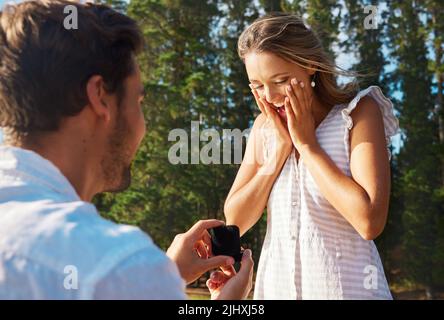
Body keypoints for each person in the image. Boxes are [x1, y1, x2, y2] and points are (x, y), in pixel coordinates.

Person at [0, 0, 253, 299]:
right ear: (100, 97)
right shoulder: (117, 265)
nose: (142, 124)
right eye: (138, 102)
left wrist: (165, 276)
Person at [224, 13, 399, 299]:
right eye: (256, 85)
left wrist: (307, 146)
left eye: (280, 80)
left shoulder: (358, 113)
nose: (268, 96)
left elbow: (369, 221)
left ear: (310, 66)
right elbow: (235, 219)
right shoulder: (264, 129)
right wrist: (278, 152)